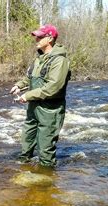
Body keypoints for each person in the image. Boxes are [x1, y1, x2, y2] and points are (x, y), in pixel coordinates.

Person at [10, 24, 70, 168]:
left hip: (50, 110)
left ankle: (46, 180)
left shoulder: (59, 61)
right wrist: (18, 85)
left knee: (45, 150)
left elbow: (53, 87)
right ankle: (23, 170)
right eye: (36, 36)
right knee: (27, 141)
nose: (36, 39)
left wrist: (28, 95)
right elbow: (29, 78)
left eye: (40, 36)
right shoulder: (39, 58)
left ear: (50, 38)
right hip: (34, 107)